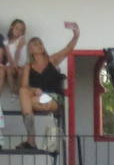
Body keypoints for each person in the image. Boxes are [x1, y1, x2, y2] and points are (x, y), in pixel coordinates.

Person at [16, 22, 78, 150]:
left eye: (40, 43)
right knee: (23, 91)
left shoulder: (52, 60)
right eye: (35, 44)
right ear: (30, 50)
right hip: (38, 99)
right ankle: (31, 140)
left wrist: (76, 34)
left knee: (31, 101)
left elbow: (69, 48)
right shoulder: (28, 66)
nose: (39, 45)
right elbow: (24, 86)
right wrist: (35, 89)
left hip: (53, 98)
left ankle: (30, 141)